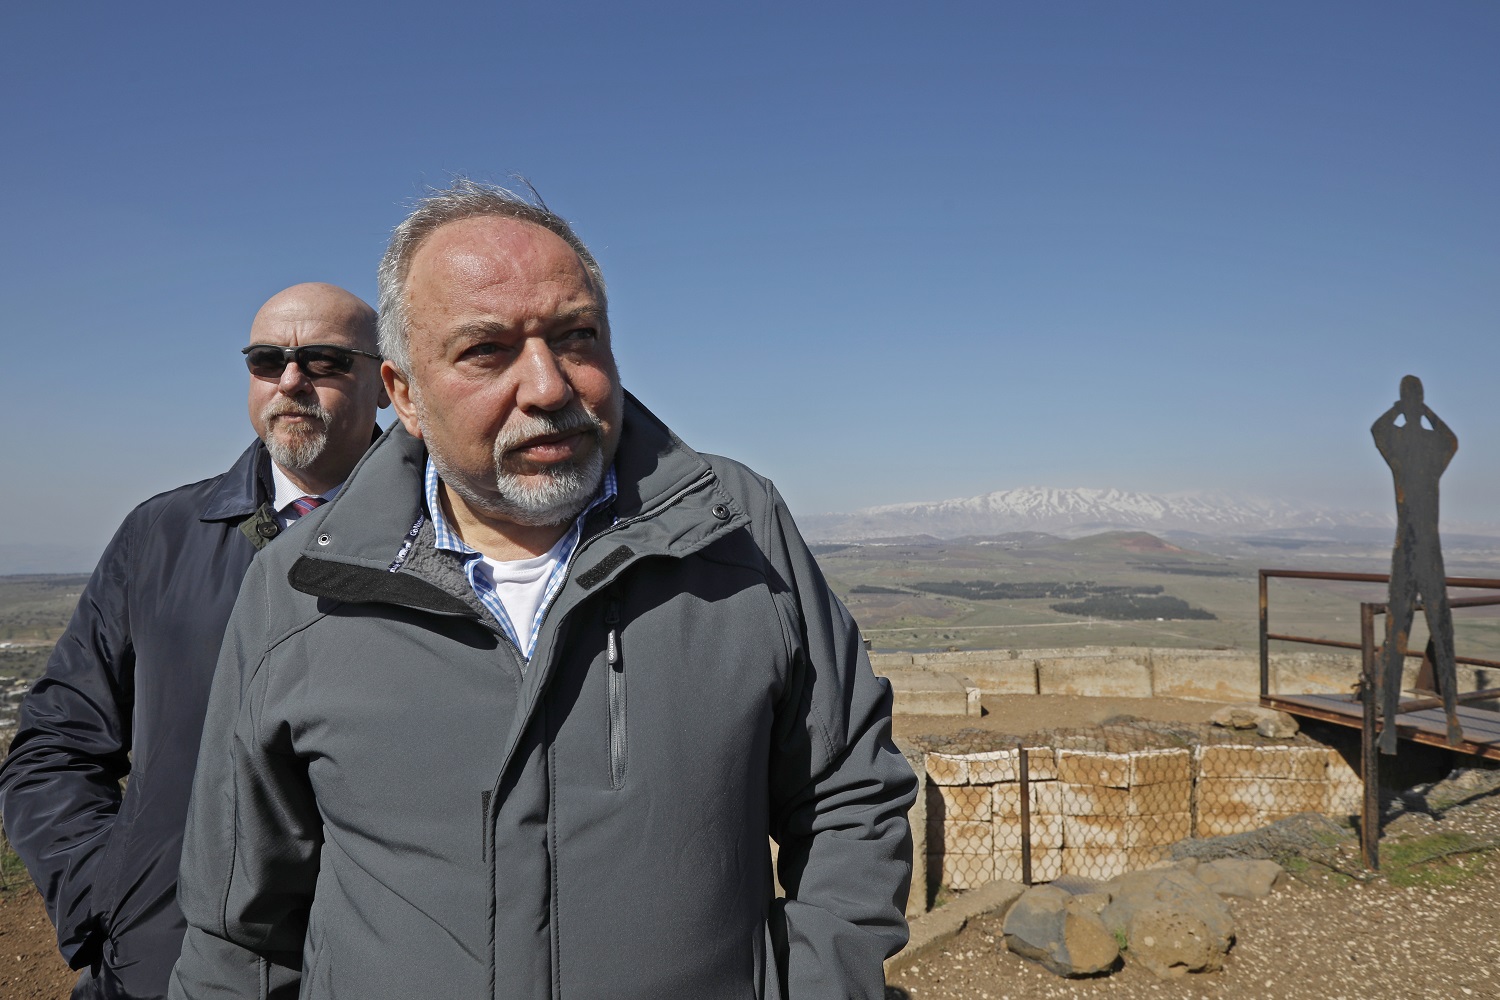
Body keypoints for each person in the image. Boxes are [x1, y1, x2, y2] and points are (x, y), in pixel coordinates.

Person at [169, 182, 916, 1000]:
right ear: (405, 395)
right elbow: (240, 931)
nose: (548, 386)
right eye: (486, 350)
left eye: (576, 336)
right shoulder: (303, 590)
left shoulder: (735, 528)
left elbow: (850, 792)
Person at [0, 283, 390, 999]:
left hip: (375, 972)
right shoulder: (161, 535)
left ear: (386, 381)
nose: (291, 380)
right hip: (161, 968)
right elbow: (55, 746)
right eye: (268, 359)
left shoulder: (454, 541)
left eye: (324, 360)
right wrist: (105, 898)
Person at [1371, 374, 1461, 752]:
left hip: (1409, 548)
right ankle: (1446, 719)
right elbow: (1452, 439)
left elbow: (1377, 428)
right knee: (1432, 630)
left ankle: (1396, 723)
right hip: (1426, 548)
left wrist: (1403, 409)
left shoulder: (1401, 442)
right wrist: (1425, 412)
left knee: (1402, 632)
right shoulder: (1428, 441)